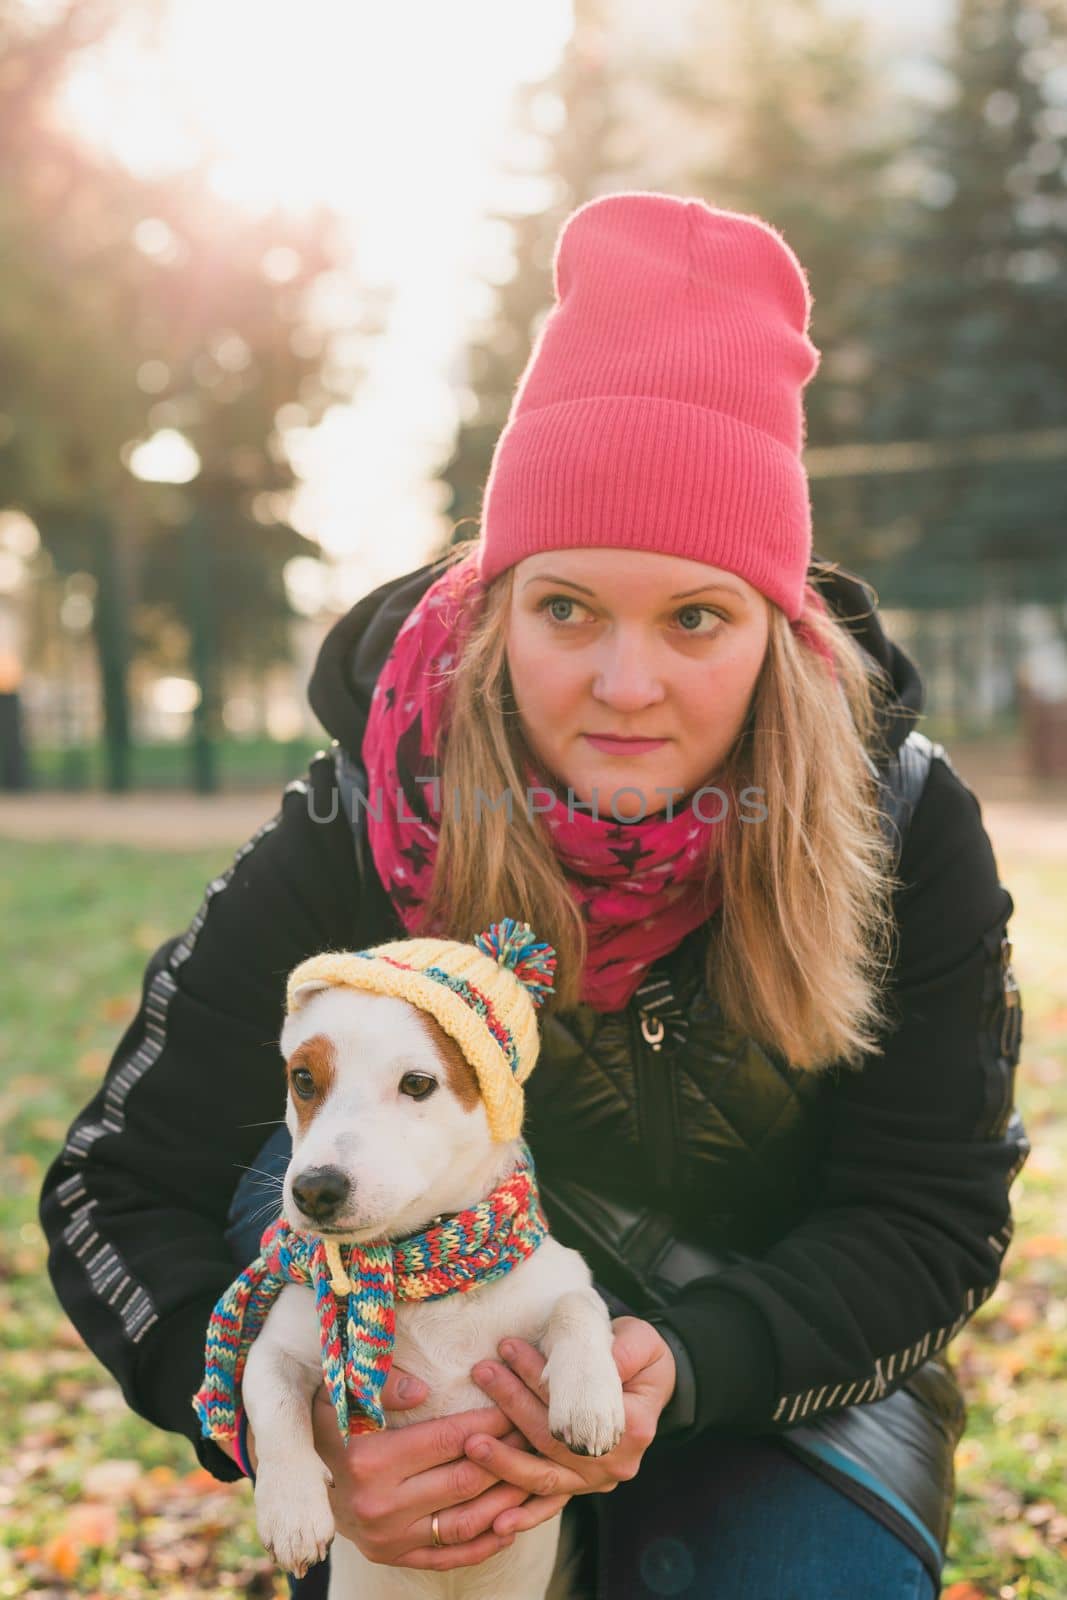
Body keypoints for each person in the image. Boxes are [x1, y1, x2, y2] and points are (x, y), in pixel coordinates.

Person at [40, 192, 1027, 1600]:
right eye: (568, 609)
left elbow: (930, 1215)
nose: (627, 688)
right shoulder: (358, 818)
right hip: (421, 1373)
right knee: (312, 1137)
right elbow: (114, 1187)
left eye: (696, 616)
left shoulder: (906, 823)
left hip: (766, 1372)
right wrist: (300, 1434)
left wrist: (682, 1365)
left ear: (775, 622)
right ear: (503, 602)